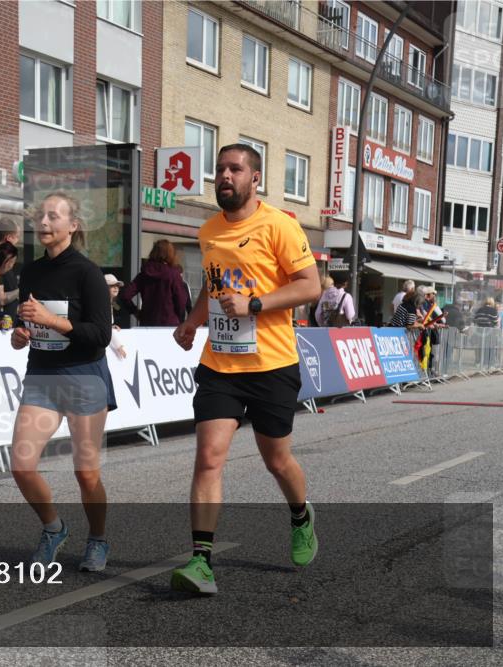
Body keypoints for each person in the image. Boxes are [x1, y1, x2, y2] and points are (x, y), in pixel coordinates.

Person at [170, 144, 321, 595]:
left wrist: (255, 304)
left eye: (235, 169)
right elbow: (210, 288)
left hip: (272, 364)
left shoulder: (279, 225)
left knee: (277, 460)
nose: (224, 176)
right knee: (209, 456)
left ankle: (300, 514)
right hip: (221, 364)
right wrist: (193, 323)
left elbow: (309, 286)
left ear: (255, 178)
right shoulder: (209, 230)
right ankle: (201, 563)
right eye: (219, 169)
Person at [9, 191, 115, 572]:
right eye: (41, 216)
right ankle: (53, 528)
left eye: (54, 216)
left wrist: (52, 321)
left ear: (73, 225)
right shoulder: (32, 273)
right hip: (42, 375)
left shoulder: (88, 273)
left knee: (86, 473)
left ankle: (98, 539)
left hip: (85, 376)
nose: (44, 223)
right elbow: (25, 326)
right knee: (21, 465)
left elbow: (100, 335)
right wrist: (20, 336)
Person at [119, 239, 190, 326]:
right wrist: (180, 319)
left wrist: (135, 312)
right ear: (170, 254)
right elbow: (181, 301)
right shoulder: (173, 274)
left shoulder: (144, 273)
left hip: (147, 324)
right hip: (169, 325)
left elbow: (125, 295)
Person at [105, 273, 127, 359]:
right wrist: (119, 347)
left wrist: (111, 326)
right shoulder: (103, 304)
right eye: (112, 285)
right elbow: (105, 328)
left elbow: (106, 325)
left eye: (117, 285)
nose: (116, 288)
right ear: (104, 288)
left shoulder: (111, 303)